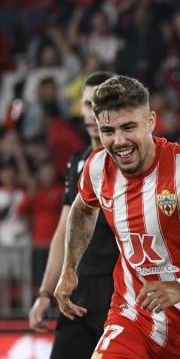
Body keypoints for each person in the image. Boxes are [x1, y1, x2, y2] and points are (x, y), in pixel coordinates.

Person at [54, 75, 180, 358]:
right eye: (108, 131)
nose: (119, 141)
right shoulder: (97, 166)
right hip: (134, 317)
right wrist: (70, 267)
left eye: (129, 127)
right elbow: (83, 208)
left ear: (150, 121)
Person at [28, 71, 120, 359]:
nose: (92, 113)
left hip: (117, 293)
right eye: (86, 104)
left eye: (98, 104)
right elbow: (63, 229)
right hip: (77, 291)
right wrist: (44, 293)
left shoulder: (130, 160)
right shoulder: (78, 161)